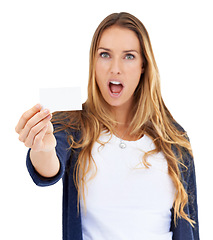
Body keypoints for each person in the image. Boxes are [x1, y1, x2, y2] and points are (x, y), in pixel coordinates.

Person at [15, 12, 199, 240]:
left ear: (144, 65)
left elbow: (191, 227)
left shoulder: (174, 137)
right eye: (105, 55)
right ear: (94, 62)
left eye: (129, 56)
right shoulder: (72, 124)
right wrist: (42, 147)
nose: (115, 68)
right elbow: (47, 170)